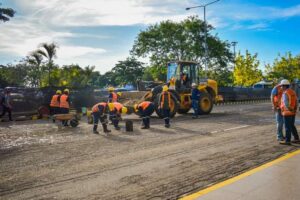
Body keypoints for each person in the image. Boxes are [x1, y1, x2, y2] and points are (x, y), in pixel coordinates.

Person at [279, 79, 299, 145]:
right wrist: (294, 109)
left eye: (281, 86)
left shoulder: (285, 93)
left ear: (284, 86)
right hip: (293, 112)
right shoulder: (292, 92)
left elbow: (286, 103)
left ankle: (287, 140)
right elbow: (296, 101)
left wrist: (290, 109)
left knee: (287, 127)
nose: (281, 87)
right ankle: (296, 138)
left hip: (287, 112)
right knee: (292, 125)